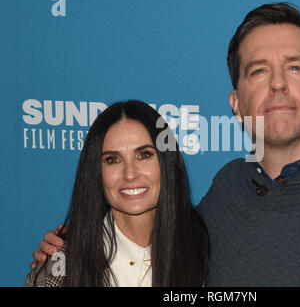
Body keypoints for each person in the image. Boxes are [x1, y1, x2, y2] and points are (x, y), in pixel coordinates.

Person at [31, 3, 300, 286]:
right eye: (259, 70)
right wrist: (69, 249)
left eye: (296, 67)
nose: (278, 83)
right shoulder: (228, 187)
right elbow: (159, 230)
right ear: (236, 105)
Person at [25, 100, 209, 287]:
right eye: (113, 160)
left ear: (166, 162)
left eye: (144, 155)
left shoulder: (203, 248)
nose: (130, 174)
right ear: (96, 171)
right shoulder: (63, 264)